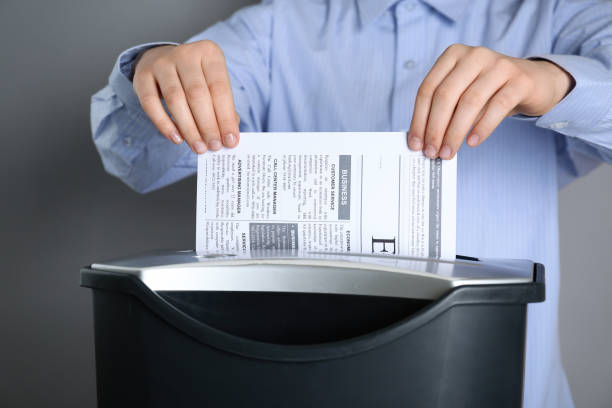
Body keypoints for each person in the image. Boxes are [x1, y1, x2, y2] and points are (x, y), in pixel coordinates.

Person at [90, 0, 612, 406]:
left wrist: (552, 80)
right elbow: (135, 159)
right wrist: (153, 71)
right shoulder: (275, 28)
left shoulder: (557, 14)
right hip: (299, 387)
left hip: (497, 385)